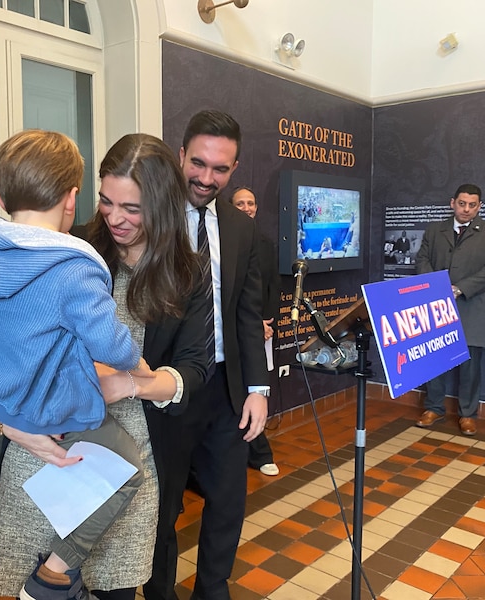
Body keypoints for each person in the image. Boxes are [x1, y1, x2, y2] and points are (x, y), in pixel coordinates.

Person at [0, 133, 208, 600]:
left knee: (114, 590)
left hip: (129, 469)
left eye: (132, 208)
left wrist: (126, 384)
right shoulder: (66, 247)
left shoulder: (187, 273)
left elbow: (194, 370)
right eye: (106, 201)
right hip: (45, 455)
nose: (114, 217)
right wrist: (10, 425)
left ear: (163, 206)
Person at [0, 130, 156, 600]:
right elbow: (111, 345)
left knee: (7, 410)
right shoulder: (71, 268)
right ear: (71, 198)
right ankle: (55, 574)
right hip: (54, 405)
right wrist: (136, 362)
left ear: (0, 196)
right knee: (127, 472)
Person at [143, 110, 269, 600]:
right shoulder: (150, 216)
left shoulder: (241, 228)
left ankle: (213, 589)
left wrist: (257, 389)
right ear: (180, 155)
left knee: (229, 501)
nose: (206, 178)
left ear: (234, 168)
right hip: (164, 388)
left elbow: (246, 312)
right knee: (162, 506)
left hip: (225, 388)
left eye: (220, 169)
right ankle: (160, 593)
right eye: (198, 163)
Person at [415, 183, 485, 435]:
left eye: (472, 205)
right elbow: (422, 260)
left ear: (480, 206)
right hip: (437, 304)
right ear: (452, 203)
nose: (466, 209)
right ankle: (434, 408)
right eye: (462, 204)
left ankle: (467, 414)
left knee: (470, 365)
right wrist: (436, 286)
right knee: (435, 359)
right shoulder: (435, 230)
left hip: (471, 304)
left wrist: (460, 288)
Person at [229, 186, 281, 476]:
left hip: (262, 330)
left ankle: (260, 453)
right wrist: (252, 323)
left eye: (250, 203)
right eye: (240, 203)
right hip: (233, 330)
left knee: (257, 388)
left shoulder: (264, 243)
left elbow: (272, 285)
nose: (246, 208)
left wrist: (266, 322)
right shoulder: (221, 241)